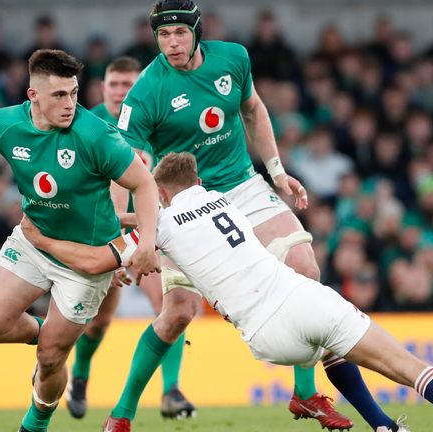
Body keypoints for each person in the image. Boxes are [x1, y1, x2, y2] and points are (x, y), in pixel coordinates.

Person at [21, 152, 433, 432]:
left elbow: (125, 247)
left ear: (164, 192)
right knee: (408, 367)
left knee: (328, 348)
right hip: (297, 299)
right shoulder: (224, 201)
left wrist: (50, 235)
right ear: (197, 180)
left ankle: (380, 426)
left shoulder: (163, 226)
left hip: (264, 339)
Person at [109, 0, 354, 429]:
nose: (171, 43)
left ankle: (305, 393)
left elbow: (254, 109)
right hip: (185, 200)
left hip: (242, 185)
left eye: (180, 33)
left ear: (197, 31)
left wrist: (276, 171)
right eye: (163, 35)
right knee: (179, 313)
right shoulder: (146, 92)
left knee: (304, 268)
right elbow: (127, 168)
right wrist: (123, 233)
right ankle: (122, 414)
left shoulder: (234, 58)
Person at [0, 49, 160, 432]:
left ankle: (35, 423)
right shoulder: (4, 125)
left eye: (74, 93)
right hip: (32, 239)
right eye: (59, 95)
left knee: (52, 360)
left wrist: (145, 243)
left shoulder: (97, 135)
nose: (70, 104)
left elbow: (144, 184)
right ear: (33, 96)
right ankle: (47, 331)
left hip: (86, 259)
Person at [65, 56, 195, 420]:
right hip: (99, 232)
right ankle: (79, 375)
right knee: (98, 321)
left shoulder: (150, 122)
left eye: (128, 85)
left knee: (170, 302)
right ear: (102, 88)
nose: (122, 91)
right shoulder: (82, 122)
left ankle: (171, 390)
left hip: (146, 229)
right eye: (115, 84)